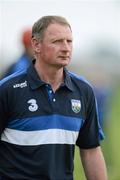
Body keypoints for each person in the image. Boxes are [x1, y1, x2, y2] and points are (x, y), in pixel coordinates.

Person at [0, 15, 107, 179]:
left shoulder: (83, 90)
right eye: (57, 41)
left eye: (69, 41)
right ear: (36, 45)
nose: (66, 48)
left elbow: (91, 150)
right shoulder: (8, 89)